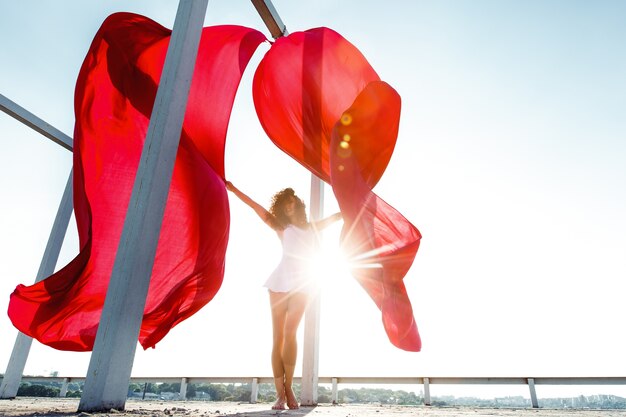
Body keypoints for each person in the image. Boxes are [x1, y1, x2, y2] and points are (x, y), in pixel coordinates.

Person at [225, 181, 342, 410]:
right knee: (277, 337)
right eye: (285, 206)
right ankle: (280, 394)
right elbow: (256, 207)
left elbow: (336, 217)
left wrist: (351, 208)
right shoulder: (280, 226)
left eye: (292, 205)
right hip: (280, 282)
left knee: (291, 332)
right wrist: (234, 189)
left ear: (298, 206)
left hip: (304, 283)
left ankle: (289, 389)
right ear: (282, 209)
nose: (289, 209)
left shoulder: (311, 227)